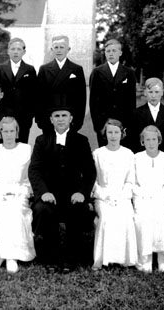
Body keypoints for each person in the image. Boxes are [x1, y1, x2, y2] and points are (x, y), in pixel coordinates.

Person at [29, 102, 96, 270]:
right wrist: (43, 192)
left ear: (71, 118)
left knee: (78, 209)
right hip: (49, 193)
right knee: (43, 209)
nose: (60, 119)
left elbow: (90, 172)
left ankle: (71, 256)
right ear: (51, 119)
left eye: (64, 115)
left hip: (72, 194)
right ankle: (51, 255)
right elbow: (34, 170)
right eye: (57, 116)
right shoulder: (42, 140)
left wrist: (82, 193)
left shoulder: (81, 141)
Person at [0, 117, 35, 273]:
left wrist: (17, 192)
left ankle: (11, 256)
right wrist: (0, 192)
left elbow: (28, 178)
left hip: (19, 192)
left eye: (12, 131)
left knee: (13, 212)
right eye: (6, 131)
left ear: (17, 132)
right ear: (0, 132)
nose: (9, 135)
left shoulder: (25, 149)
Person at [92, 119, 138, 270]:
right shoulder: (98, 154)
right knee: (106, 218)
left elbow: (130, 180)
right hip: (103, 197)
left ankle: (124, 258)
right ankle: (103, 259)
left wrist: (121, 196)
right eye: (110, 132)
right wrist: (104, 195)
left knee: (126, 217)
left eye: (116, 132)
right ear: (105, 134)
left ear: (122, 134)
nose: (113, 136)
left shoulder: (128, 154)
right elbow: (93, 181)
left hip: (122, 196)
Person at [133, 125, 164, 273]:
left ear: (159, 140)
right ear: (142, 141)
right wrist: (142, 194)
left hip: (161, 197)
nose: (151, 143)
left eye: (154, 139)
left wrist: (161, 195)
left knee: (162, 218)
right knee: (143, 220)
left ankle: (162, 259)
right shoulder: (136, 158)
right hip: (142, 197)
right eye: (147, 139)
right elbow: (133, 182)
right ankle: (146, 258)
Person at [89, 39, 137, 147]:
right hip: (104, 124)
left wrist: (128, 125)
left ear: (120, 53)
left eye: (114, 51)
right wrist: (100, 126)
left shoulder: (129, 73)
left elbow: (131, 102)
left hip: (123, 124)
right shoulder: (97, 72)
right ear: (105, 53)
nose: (111, 53)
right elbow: (93, 102)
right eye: (108, 51)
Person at [0, 37, 37, 143]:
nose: (16, 52)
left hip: (23, 116)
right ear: (8, 51)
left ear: (24, 52)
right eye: (13, 49)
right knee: (3, 142)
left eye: (19, 49)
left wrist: (30, 114)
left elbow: (34, 94)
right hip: (4, 114)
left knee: (22, 143)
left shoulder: (30, 69)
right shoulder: (0, 68)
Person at [36, 35, 86, 132]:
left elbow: (81, 98)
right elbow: (39, 97)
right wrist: (40, 120)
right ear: (52, 49)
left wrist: (78, 120)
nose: (59, 50)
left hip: (70, 118)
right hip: (49, 118)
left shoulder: (77, 69)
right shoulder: (44, 69)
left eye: (62, 47)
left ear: (68, 49)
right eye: (56, 47)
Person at [132, 78, 164, 160]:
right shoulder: (136, 114)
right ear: (145, 93)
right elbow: (133, 140)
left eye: (157, 92)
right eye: (150, 92)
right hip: (143, 158)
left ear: (162, 92)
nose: (153, 96)